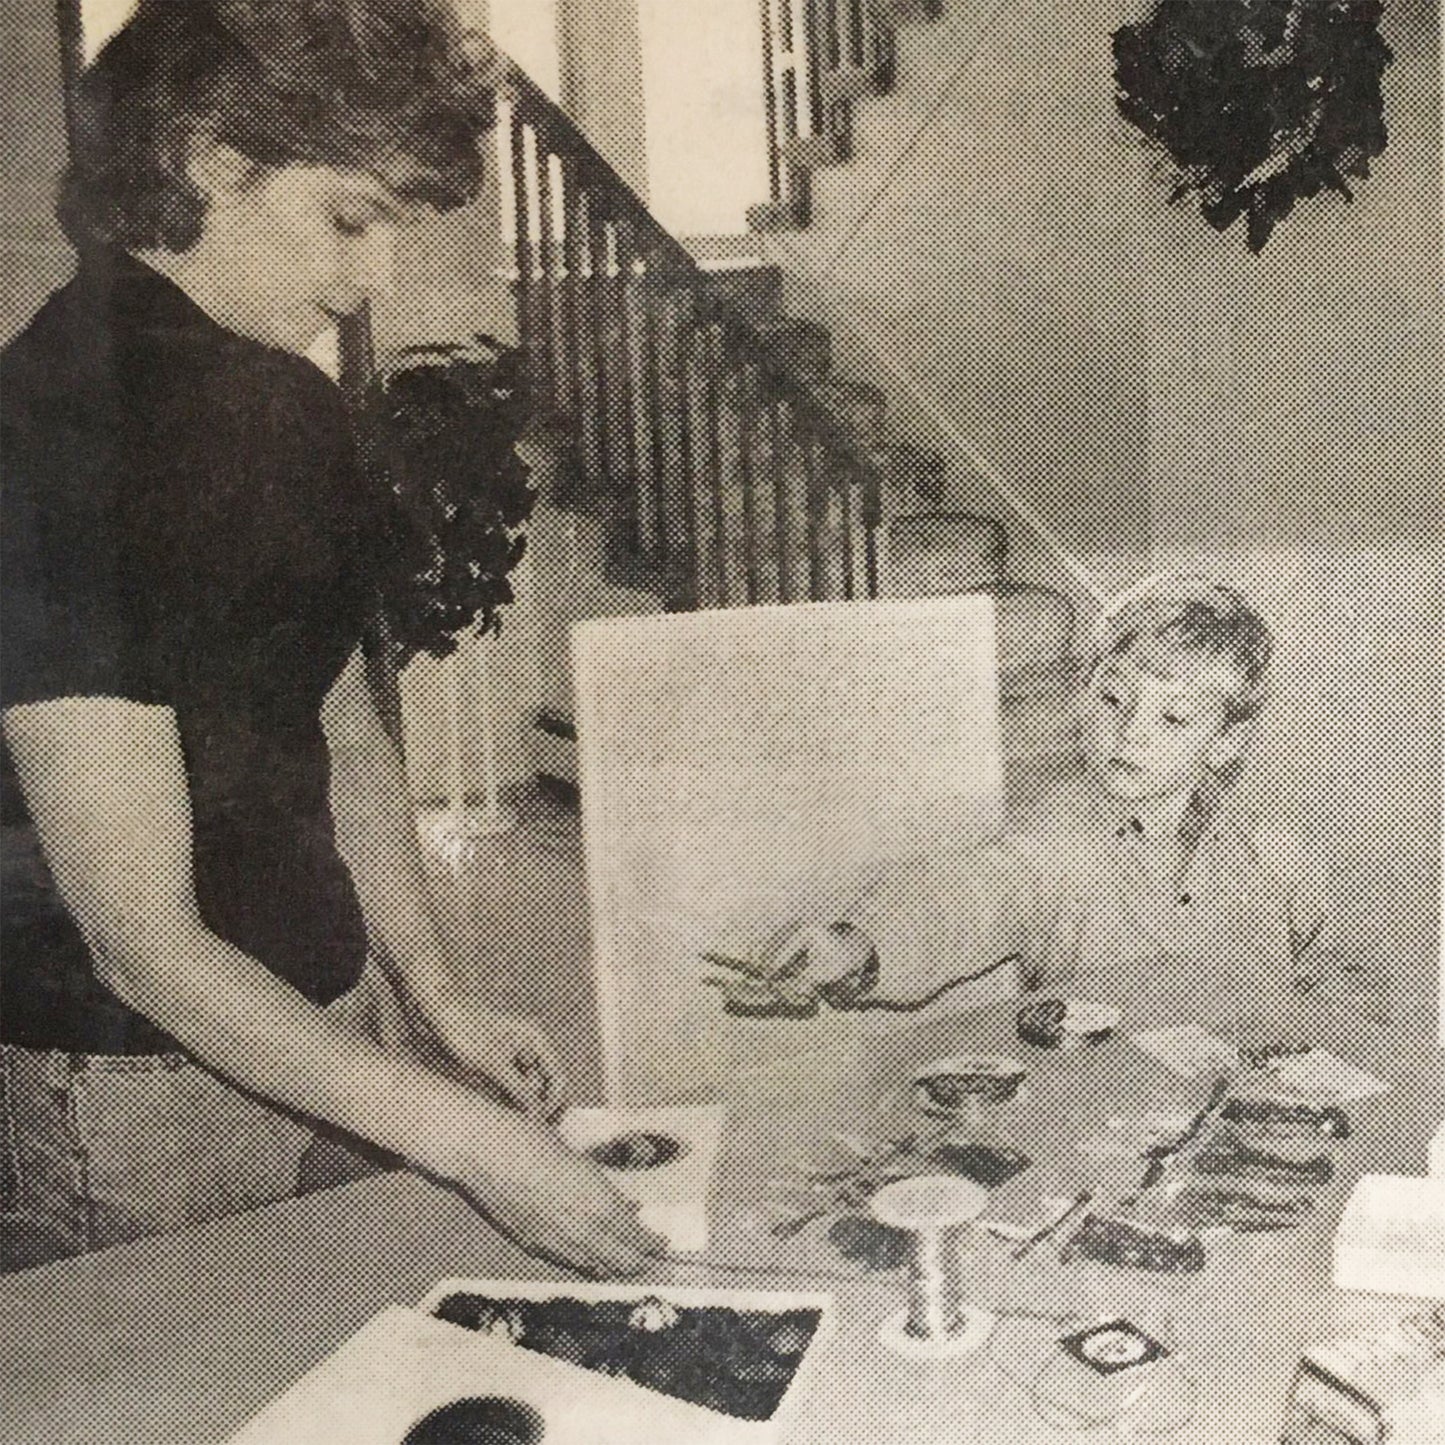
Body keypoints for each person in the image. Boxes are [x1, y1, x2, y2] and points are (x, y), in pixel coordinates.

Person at [0, 0, 659, 1275]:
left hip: (322, 1010)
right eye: (350, 218)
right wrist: (466, 1141)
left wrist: (435, 991)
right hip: (133, 1080)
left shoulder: (286, 401)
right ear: (208, 163)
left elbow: (335, 713)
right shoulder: (48, 436)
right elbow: (139, 941)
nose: (374, 282)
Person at [746, 576, 1371, 1033]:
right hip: (1094, 1108)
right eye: (1113, 700)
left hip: (1246, 1113)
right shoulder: (1056, 836)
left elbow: (1344, 970)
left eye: (1173, 717)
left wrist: (1320, 1028)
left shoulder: (1272, 848)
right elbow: (966, 896)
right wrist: (859, 946)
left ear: (1226, 741)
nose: (1130, 733)